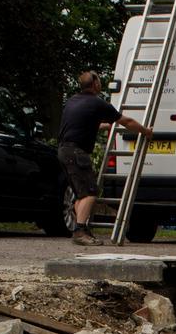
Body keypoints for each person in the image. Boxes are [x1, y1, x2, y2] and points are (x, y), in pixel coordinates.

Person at [58, 72, 152, 247]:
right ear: (95, 84)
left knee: (80, 194)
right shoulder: (97, 103)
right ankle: (79, 232)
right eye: (99, 81)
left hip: (64, 151)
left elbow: (81, 122)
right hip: (77, 153)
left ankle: (82, 229)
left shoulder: (72, 101)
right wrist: (146, 131)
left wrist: (104, 126)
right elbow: (128, 122)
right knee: (90, 193)